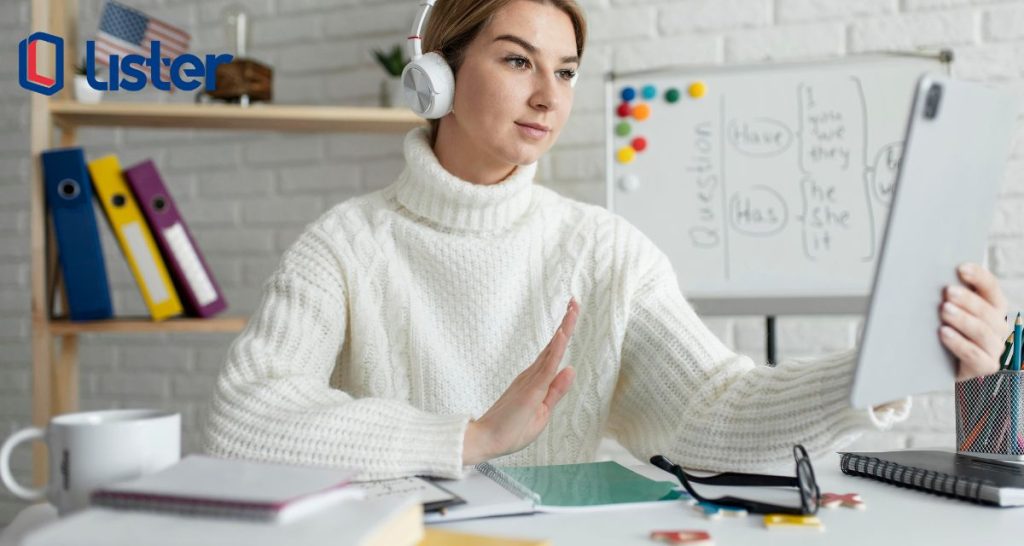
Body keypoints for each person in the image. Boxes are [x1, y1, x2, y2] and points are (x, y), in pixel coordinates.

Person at [202, 0, 1010, 479]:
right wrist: (471, 438)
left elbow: (712, 413)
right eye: (518, 60)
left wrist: (870, 371)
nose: (549, 95)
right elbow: (245, 415)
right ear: (436, 76)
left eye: (567, 70)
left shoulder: (604, 250)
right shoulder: (345, 244)